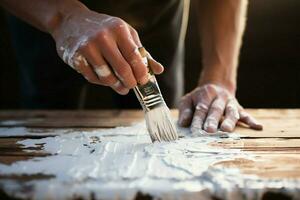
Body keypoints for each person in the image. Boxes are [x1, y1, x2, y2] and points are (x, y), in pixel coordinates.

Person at [0, 0, 262, 133]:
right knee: (43, 133)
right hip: (47, 18)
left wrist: (219, 76)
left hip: (156, 15)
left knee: (168, 130)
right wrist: (62, 17)